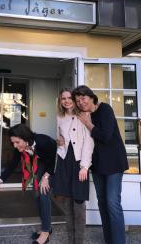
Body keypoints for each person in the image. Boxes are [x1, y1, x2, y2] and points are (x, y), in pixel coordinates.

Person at [72, 85, 129, 244]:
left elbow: (105, 136)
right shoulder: (82, 115)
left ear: (91, 97)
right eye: (78, 101)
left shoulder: (105, 109)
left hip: (114, 163)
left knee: (112, 202)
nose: (81, 102)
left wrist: (88, 123)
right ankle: (109, 240)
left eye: (83, 98)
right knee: (102, 203)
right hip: (97, 165)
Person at [0, 123, 57, 244]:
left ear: (26, 138)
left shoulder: (42, 141)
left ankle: (45, 232)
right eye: (13, 142)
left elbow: (55, 156)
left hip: (55, 165)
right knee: (36, 195)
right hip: (42, 163)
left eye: (17, 142)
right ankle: (47, 226)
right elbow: (12, 165)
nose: (15, 145)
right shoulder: (19, 148)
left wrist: (46, 176)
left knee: (43, 191)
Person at [52, 88, 94, 244]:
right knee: (67, 204)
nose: (66, 101)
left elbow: (89, 142)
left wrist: (84, 166)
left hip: (78, 163)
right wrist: (59, 141)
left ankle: (79, 241)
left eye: (69, 97)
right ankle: (71, 241)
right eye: (63, 98)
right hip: (64, 161)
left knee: (79, 204)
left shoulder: (83, 115)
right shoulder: (60, 116)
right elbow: (61, 139)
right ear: (60, 101)